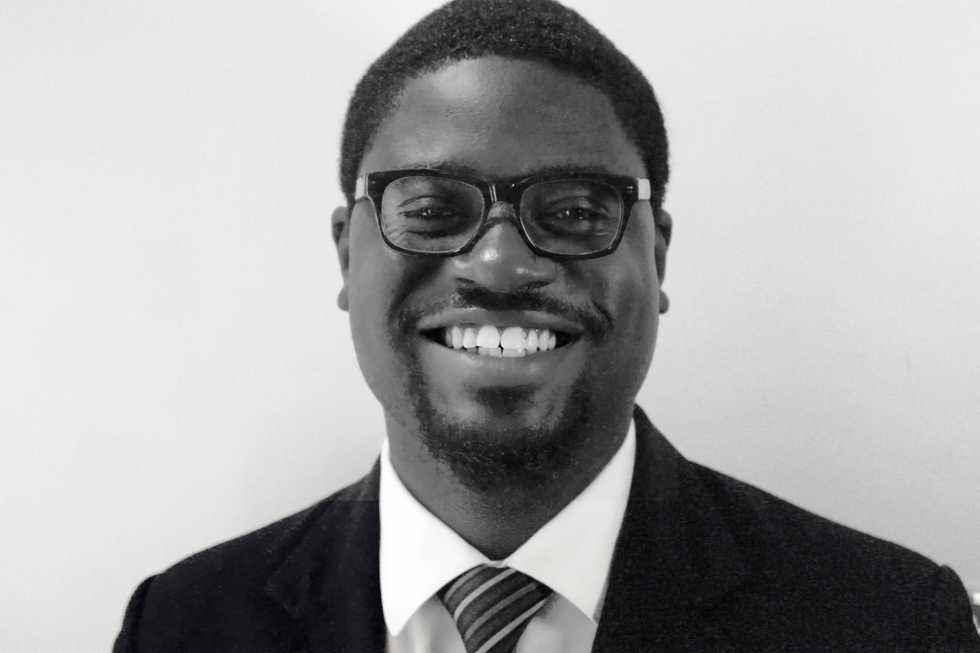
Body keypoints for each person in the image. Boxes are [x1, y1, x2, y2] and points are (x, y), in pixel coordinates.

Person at [114, 1, 980, 650]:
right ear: (347, 254)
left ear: (657, 256)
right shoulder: (182, 625)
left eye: (573, 211)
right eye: (431, 209)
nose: (498, 266)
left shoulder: (895, 624)